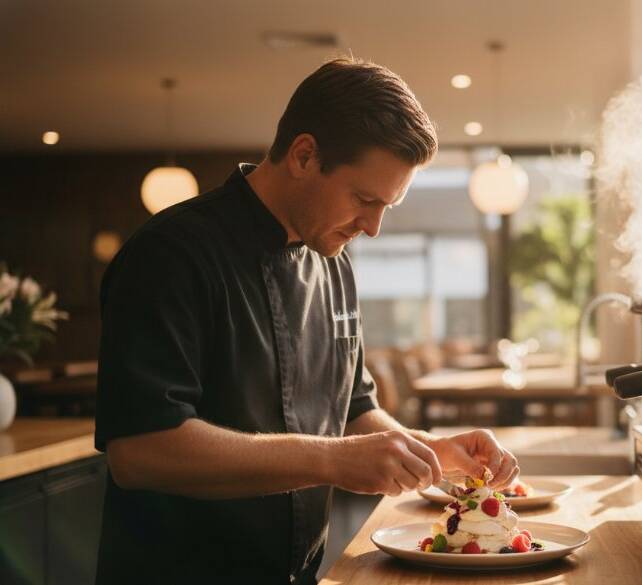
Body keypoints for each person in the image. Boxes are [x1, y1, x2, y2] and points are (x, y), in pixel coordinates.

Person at [94, 57, 519, 585]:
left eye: (388, 206)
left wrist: (432, 451)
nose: (373, 228)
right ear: (303, 154)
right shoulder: (170, 254)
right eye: (364, 199)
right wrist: (332, 461)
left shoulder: (334, 262)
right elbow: (139, 452)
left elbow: (354, 411)